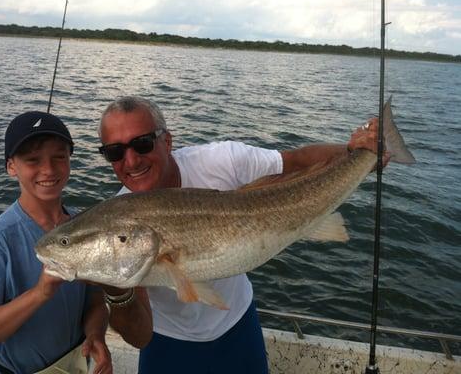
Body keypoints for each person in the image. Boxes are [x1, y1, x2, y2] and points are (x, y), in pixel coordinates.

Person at [96, 96, 384, 374]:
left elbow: (296, 161)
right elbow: (140, 336)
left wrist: (357, 154)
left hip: (237, 326)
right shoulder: (118, 227)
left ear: (167, 141)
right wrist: (115, 290)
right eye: (115, 152)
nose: (131, 161)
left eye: (142, 143)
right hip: (168, 341)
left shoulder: (220, 161)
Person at [0, 111, 152, 374]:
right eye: (32, 160)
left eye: (59, 157)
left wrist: (95, 334)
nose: (48, 170)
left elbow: (94, 300)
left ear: (70, 161)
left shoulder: (85, 227)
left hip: (75, 365)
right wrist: (40, 293)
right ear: (11, 167)